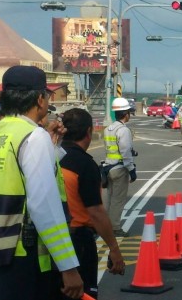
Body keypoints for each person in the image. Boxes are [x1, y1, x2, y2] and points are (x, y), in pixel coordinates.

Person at [0, 65, 83, 300]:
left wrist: (51, 145)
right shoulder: (33, 136)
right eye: (46, 95)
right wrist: (68, 266)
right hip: (28, 255)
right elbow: (44, 205)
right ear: (39, 99)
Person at [60, 108, 126, 299]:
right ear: (89, 132)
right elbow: (96, 211)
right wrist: (114, 249)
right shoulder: (84, 164)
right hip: (78, 241)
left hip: (52, 241)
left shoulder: (52, 155)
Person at [103, 97, 137, 237]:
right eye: (129, 112)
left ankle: (105, 225)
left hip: (108, 167)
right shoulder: (123, 130)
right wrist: (132, 170)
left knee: (109, 198)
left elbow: (113, 148)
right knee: (118, 200)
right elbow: (125, 152)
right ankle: (115, 227)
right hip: (120, 168)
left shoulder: (108, 129)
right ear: (125, 113)